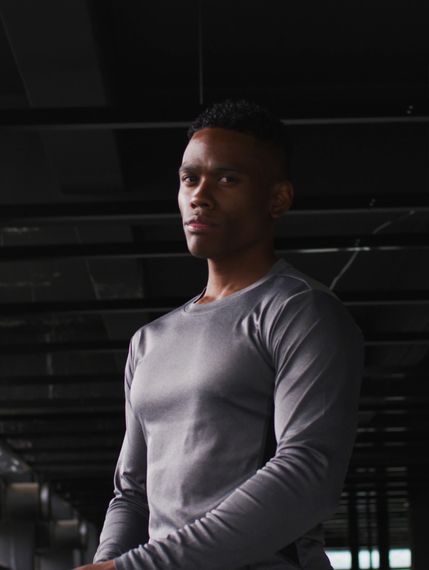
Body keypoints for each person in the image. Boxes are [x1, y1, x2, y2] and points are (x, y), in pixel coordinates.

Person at [74, 100, 364, 570]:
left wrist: (136, 569)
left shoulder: (299, 311)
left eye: (227, 179)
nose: (200, 196)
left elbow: (307, 472)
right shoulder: (149, 341)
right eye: (190, 178)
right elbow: (132, 493)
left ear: (278, 199)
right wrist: (108, 564)